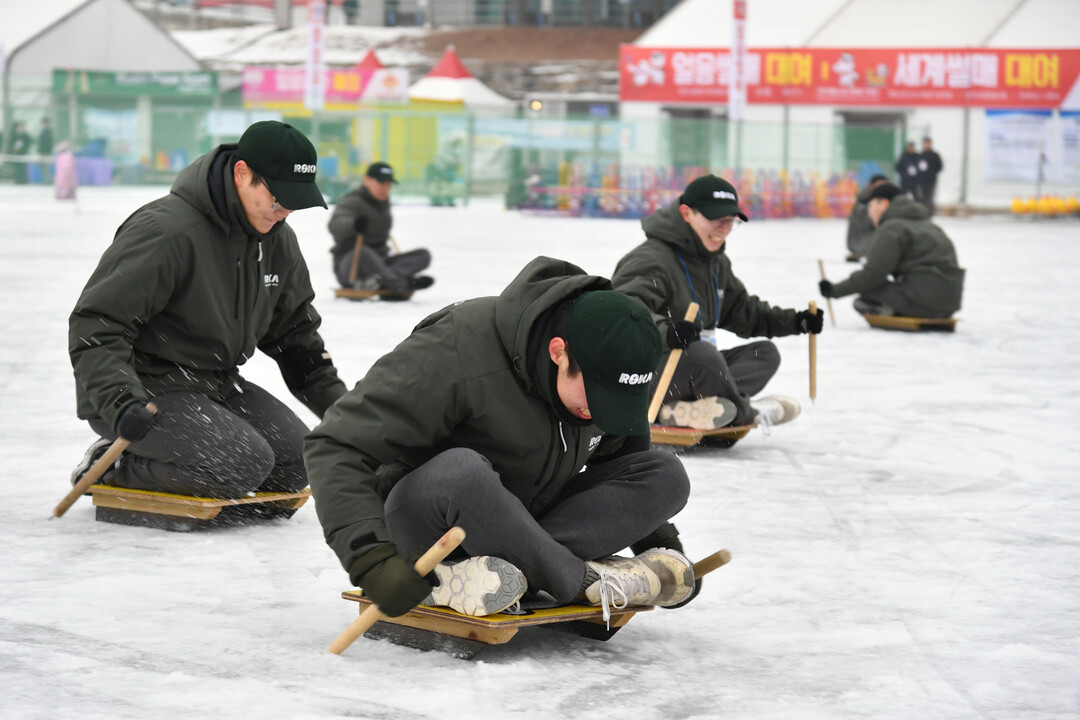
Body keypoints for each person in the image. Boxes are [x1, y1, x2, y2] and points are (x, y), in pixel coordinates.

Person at [305, 256, 699, 621]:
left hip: (525, 521)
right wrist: (373, 563)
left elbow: (623, 453)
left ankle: (514, 573)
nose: (599, 414)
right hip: (428, 529)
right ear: (559, 352)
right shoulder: (454, 349)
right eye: (596, 398)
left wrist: (659, 547)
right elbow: (335, 445)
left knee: (663, 472)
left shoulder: (610, 365)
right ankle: (575, 580)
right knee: (460, 472)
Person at [69, 121, 347, 500]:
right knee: (238, 465)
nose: (285, 211)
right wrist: (121, 400)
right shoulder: (167, 231)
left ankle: (199, 473)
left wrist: (344, 413)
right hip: (143, 390)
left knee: (298, 462)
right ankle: (118, 464)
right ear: (242, 172)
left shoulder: (277, 240)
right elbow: (96, 325)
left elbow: (296, 338)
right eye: (278, 197)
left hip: (216, 384)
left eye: (295, 201)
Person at [611, 175, 823, 431]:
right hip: (641, 379)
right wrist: (667, 332)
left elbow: (744, 312)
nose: (724, 228)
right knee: (702, 356)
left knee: (764, 354)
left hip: (692, 371)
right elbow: (622, 315)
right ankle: (747, 412)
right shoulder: (651, 259)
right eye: (715, 218)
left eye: (730, 221)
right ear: (686, 213)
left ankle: (685, 411)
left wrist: (795, 321)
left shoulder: (714, 263)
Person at [819, 183, 964, 319]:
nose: (869, 213)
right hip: (949, 305)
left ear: (884, 204)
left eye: (871, 205)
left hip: (924, 303)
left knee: (868, 289)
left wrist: (834, 290)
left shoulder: (892, 228)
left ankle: (894, 312)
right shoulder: (930, 226)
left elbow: (872, 274)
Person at [327, 161, 433, 294]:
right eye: (381, 183)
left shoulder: (382, 204)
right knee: (364, 253)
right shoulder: (352, 201)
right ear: (367, 181)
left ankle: (377, 281)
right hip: (352, 267)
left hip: (381, 262)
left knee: (423, 255)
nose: (385, 188)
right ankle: (403, 283)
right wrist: (353, 224)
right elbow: (334, 226)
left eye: (388, 184)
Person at [846, 174, 889, 262]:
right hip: (862, 245)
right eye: (880, 185)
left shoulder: (884, 200)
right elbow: (867, 225)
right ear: (871, 185)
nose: (882, 188)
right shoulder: (863, 204)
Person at [917, 137, 944, 216]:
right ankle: (922, 212)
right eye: (925, 143)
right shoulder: (921, 155)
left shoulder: (934, 155)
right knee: (921, 197)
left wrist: (932, 171)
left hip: (931, 180)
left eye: (928, 143)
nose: (927, 145)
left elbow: (940, 166)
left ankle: (929, 213)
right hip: (922, 180)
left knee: (930, 197)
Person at [37, 118, 54, 184]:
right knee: (43, 166)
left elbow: (46, 142)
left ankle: (48, 180)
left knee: (46, 167)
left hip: (45, 152)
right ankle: (46, 179)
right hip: (43, 152)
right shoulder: (44, 130)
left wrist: (43, 151)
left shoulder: (47, 131)